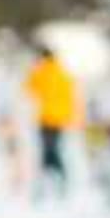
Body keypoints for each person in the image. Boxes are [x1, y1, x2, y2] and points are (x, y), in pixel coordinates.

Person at [25, 46, 81, 198]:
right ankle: (55, 178)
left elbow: (29, 88)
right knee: (51, 149)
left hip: (46, 118)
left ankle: (53, 178)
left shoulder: (42, 72)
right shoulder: (63, 73)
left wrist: (35, 69)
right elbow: (71, 97)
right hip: (59, 119)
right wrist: (72, 117)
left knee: (49, 149)